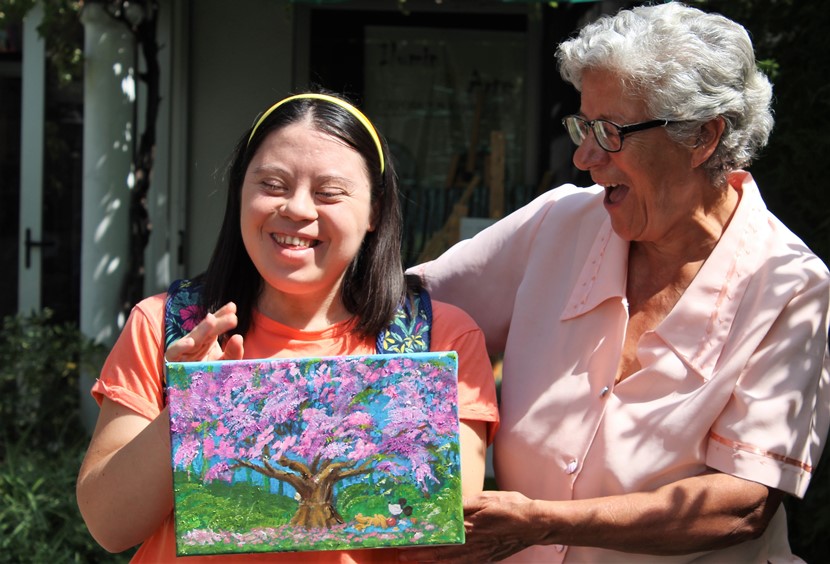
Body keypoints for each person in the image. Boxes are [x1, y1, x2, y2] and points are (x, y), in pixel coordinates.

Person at [403, 3, 830, 563]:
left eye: (609, 132)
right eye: (583, 126)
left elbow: (742, 504)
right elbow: (400, 317)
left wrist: (540, 523)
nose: (584, 156)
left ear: (702, 137)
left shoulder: (789, 285)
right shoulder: (558, 223)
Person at [76, 91, 499, 563]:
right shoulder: (168, 326)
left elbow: (444, 538)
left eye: (328, 193)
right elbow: (110, 526)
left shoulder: (438, 340)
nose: (297, 209)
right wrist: (190, 405)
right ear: (241, 192)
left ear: (376, 210)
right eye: (273, 185)